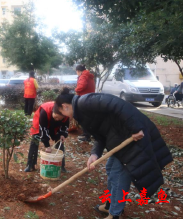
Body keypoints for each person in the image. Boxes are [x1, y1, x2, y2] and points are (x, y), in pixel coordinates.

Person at [55, 88, 173, 219]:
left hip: (133, 136)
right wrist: (94, 154)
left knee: (119, 174)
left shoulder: (85, 102)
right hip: (121, 138)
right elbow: (100, 136)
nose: (67, 117)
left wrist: (135, 128)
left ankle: (115, 213)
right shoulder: (82, 114)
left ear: (65, 106)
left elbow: (118, 104)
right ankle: (110, 205)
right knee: (110, 167)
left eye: (63, 114)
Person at [24, 101, 69, 173]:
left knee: (59, 141)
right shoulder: (45, 111)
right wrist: (47, 145)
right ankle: (30, 165)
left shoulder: (66, 115)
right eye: (56, 117)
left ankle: (61, 166)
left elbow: (65, 126)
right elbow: (43, 128)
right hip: (40, 121)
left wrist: (62, 134)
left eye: (59, 118)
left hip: (55, 125)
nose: (57, 119)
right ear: (53, 111)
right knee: (35, 138)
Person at [75, 65, 95, 142]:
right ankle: (87, 133)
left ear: (78, 71)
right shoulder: (88, 75)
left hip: (84, 99)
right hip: (90, 98)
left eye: (76, 72)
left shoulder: (83, 76)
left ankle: (87, 135)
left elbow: (82, 86)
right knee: (88, 117)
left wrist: (76, 89)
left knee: (84, 117)